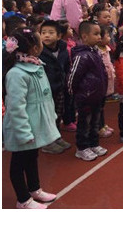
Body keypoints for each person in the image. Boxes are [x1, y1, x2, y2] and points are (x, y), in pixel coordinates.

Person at [2, 28, 59, 208]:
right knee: (19, 163)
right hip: (23, 128)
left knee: (32, 157)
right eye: (40, 40)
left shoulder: (37, 65)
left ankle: (34, 189)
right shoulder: (16, 74)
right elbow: (16, 107)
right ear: (34, 48)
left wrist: (51, 116)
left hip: (35, 125)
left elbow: (46, 96)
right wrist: (23, 133)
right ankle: (23, 200)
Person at [67, 21, 108, 161]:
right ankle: (82, 148)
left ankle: (93, 143)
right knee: (84, 123)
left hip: (97, 95)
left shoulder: (95, 52)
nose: (99, 37)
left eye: (100, 34)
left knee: (95, 122)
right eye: (96, 34)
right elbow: (73, 76)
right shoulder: (82, 56)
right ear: (84, 37)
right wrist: (74, 93)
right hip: (86, 96)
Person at [38, 20, 72, 154]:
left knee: (58, 114)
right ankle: (47, 142)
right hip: (46, 91)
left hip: (60, 88)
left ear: (59, 36)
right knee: (47, 116)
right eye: (43, 33)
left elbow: (67, 66)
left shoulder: (63, 49)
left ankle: (56, 137)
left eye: (51, 33)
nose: (46, 35)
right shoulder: (38, 51)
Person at [97, 25, 115, 138]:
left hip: (108, 80)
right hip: (101, 81)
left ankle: (103, 124)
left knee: (102, 104)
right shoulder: (97, 51)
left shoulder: (107, 49)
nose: (109, 38)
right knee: (98, 106)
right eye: (107, 36)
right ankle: (99, 127)